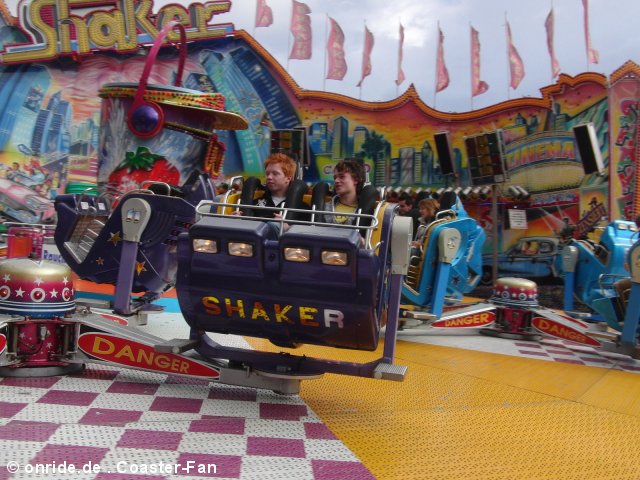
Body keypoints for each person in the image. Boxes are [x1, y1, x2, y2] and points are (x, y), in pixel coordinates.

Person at [325, 159, 366, 226]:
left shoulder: (366, 210)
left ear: (356, 180)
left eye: (342, 177)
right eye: (335, 178)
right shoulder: (324, 207)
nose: (336, 181)